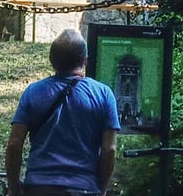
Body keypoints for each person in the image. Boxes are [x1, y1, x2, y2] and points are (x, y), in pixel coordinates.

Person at [7, 29, 120, 196]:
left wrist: (14, 187)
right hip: (84, 188)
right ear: (85, 61)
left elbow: (14, 144)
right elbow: (109, 149)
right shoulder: (103, 94)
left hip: (39, 187)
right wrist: (101, 189)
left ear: (51, 60)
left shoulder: (33, 92)